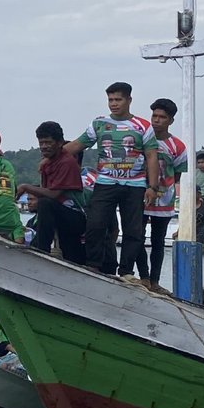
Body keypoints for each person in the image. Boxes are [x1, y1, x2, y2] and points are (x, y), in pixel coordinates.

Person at [64, 83, 158, 277]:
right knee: (95, 224)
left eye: (118, 99)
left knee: (133, 231)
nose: (114, 104)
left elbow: (151, 156)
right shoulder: (99, 123)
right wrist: (50, 157)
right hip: (105, 182)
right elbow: (76, 145)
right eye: (110, 100)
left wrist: (153, 187)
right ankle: (94, 264)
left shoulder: (143, 126)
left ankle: (126, 271)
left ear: (129, 100)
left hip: (135, 184)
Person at [17, 121, 88, 264]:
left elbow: (53, 194)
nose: (44, 146)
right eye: (41, 143)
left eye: (48, 142)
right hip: (60, 216)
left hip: (75, 217)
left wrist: (25, 187)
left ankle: (42, 251)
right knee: (73, 259)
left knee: (45, 203)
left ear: (60, 143)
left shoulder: (66, 162)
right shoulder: (48, 163)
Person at [139, 98, 187, 287]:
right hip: (140, 196)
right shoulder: (141, 139)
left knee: (158, 240)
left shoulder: (178, 146)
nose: (157, 120)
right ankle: (142, 276)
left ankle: (155, 280)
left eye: (162, 117)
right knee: (137, 237)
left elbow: (177, 175)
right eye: (154, 116)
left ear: (170, 121)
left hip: (164, 199)